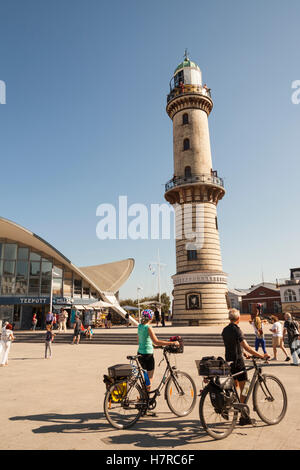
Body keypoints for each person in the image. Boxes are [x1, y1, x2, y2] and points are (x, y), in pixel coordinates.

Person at [222, 308, 269, 426]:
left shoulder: (225, 330)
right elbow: (246, 346)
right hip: (238, 362)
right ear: (238, 318)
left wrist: (244, 353)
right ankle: (243, 413)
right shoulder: (237, 330)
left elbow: (233, 345)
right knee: (246, 386)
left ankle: (232, 405)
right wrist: (261, 355)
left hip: (229, 360)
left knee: (235, 386)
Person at [137, 309, 179, 394]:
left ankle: (142, 396)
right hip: (147, 355)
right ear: (151, 317)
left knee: (145, 377)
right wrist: (171, 343)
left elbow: (141, 340)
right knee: (150, 377)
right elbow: (156, 341)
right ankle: (145, 397)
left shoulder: (140, 326)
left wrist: (153, 346)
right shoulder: (148, 327)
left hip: (140, 354)